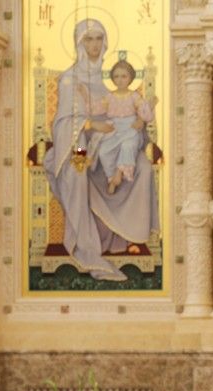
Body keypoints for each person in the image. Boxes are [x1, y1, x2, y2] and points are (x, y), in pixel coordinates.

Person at [43, 19, 159, 282]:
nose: (94, 45)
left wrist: (138, 123)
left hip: (112, 139)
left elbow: (121, 111)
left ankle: (129, 236)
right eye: (89, 39)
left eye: (98, 39)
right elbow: (62, 123)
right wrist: (90, 125)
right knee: (77, 170)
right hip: (78, 143)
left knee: (143, 166)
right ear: (79, 43)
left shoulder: (106, 79)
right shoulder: (70, 79)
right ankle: (86, 244)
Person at [85, 59, 157, 196]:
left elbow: (144, 112)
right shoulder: (109, 97)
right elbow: (95, 109)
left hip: (130, 128)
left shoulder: (134, 96)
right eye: (116, 76)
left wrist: (142, 116)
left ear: (130, 78)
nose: (120, 80)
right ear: (112, 79)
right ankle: (111, 177)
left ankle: (119, 173)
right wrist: (84, 96)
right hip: (114, 130)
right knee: (104, 151)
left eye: (124, 76)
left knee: (127, 145)